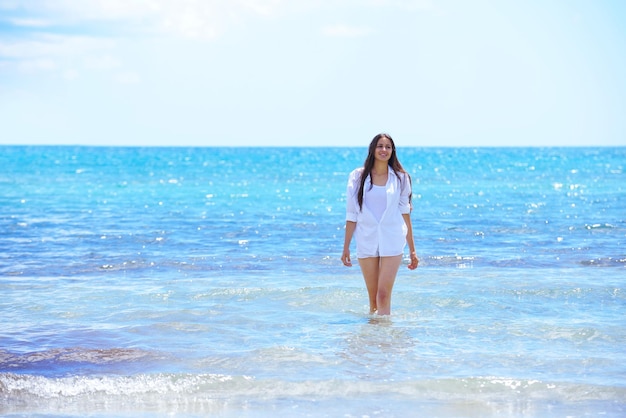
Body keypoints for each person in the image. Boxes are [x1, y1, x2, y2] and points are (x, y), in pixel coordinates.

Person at [341, 133, 419, 316]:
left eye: (388, 147)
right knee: (373, 299)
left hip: (392, 239)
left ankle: (386, 338)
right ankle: (373, 339)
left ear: (392, 151)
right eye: (380, 146)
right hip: (366, 239)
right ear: (373, 149)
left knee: (383, 295)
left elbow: (405, 213)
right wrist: (345, 248)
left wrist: (412, 250)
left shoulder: (401, 178)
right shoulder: (357, 177)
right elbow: (351, 214)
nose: (384, 150)